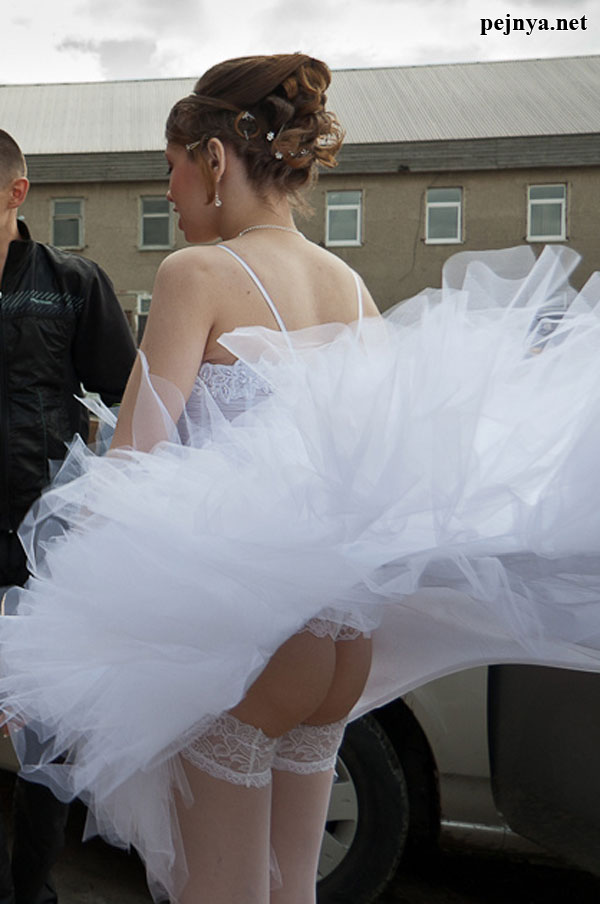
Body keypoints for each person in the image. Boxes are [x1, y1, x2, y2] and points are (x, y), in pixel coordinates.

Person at [2, 53, 600, 904]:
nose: (166, 193)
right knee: (294, 890)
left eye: (170, 169)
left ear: (214, 159)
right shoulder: (350, 287)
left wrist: (47, 648)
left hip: (249, 638)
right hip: (340, 641)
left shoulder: (195, 275)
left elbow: (131, 471)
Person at [0, 130, 136, 904]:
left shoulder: (72, 284)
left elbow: (131, 402)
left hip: (43, 542)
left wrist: (103, 509)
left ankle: (33, 887)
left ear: (15, 193)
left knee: (44, 727)